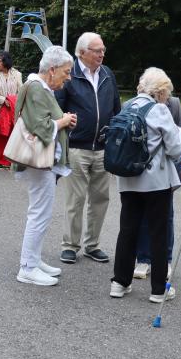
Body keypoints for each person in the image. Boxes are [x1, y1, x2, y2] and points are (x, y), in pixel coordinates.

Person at [109, 70, 181, 302]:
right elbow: (176, 149)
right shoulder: (160, 110)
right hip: (155, 182)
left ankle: (119, 283)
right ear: (161, 91)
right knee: (158, 233)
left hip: (128, 178)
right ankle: (159, 290)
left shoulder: (127, 106)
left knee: (128, 230)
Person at [56, 32, 121, 265]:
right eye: (97, 50)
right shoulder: (69, 74)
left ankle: (92, 245)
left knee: (100, 199)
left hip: (103, 148)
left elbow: (116, 109)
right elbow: (57, 109)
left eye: (103, 50)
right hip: (77, 147)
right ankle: (70, 246)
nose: (102, 54)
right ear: (82, 52)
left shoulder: (107, 74)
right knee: (76, 199)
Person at [14, 46, 77, 286]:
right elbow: (40, 127)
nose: (68, 77)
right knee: (39, 214)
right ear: (52, 70)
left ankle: (33, 260)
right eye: (66, 72)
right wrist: (63, 121)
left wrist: (63, 122)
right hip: (39, 163)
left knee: (40, 213)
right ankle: (27, 267)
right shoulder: (37, 89)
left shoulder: (40, 87)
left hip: (43, 162)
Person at [133, 96, 181, 281]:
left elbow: (179, 135)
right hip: (138, 169)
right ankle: (143, 259)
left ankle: (166, 261)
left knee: (166, 218)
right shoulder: (133, 104)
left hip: (164, 171)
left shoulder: (173, 104)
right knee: (141, 217)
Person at [0, 49, 23, 168]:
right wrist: (4, 100)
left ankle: (12, 159)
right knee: (0, 136)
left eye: (0, 61)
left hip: (14, 109)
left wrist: (13, 100)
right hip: (0, 109)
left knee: (13, 135)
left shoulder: (17, 74)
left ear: (6, 61)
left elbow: (21, 91)